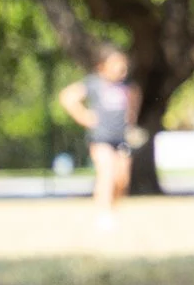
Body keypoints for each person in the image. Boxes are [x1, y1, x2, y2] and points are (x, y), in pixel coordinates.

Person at [59, 48, 137, 211]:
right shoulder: (94, 83)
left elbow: (133, 105)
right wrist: (83, 116)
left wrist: (130, 124)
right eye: (115, 63)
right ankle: (103, 211)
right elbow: (67, 97)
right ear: (102, 66)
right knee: (106, 172)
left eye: (123, 63)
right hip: (101, 138)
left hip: (121, 138)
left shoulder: (127, 86)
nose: (121, 67)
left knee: (122, 178)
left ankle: (113, 208)